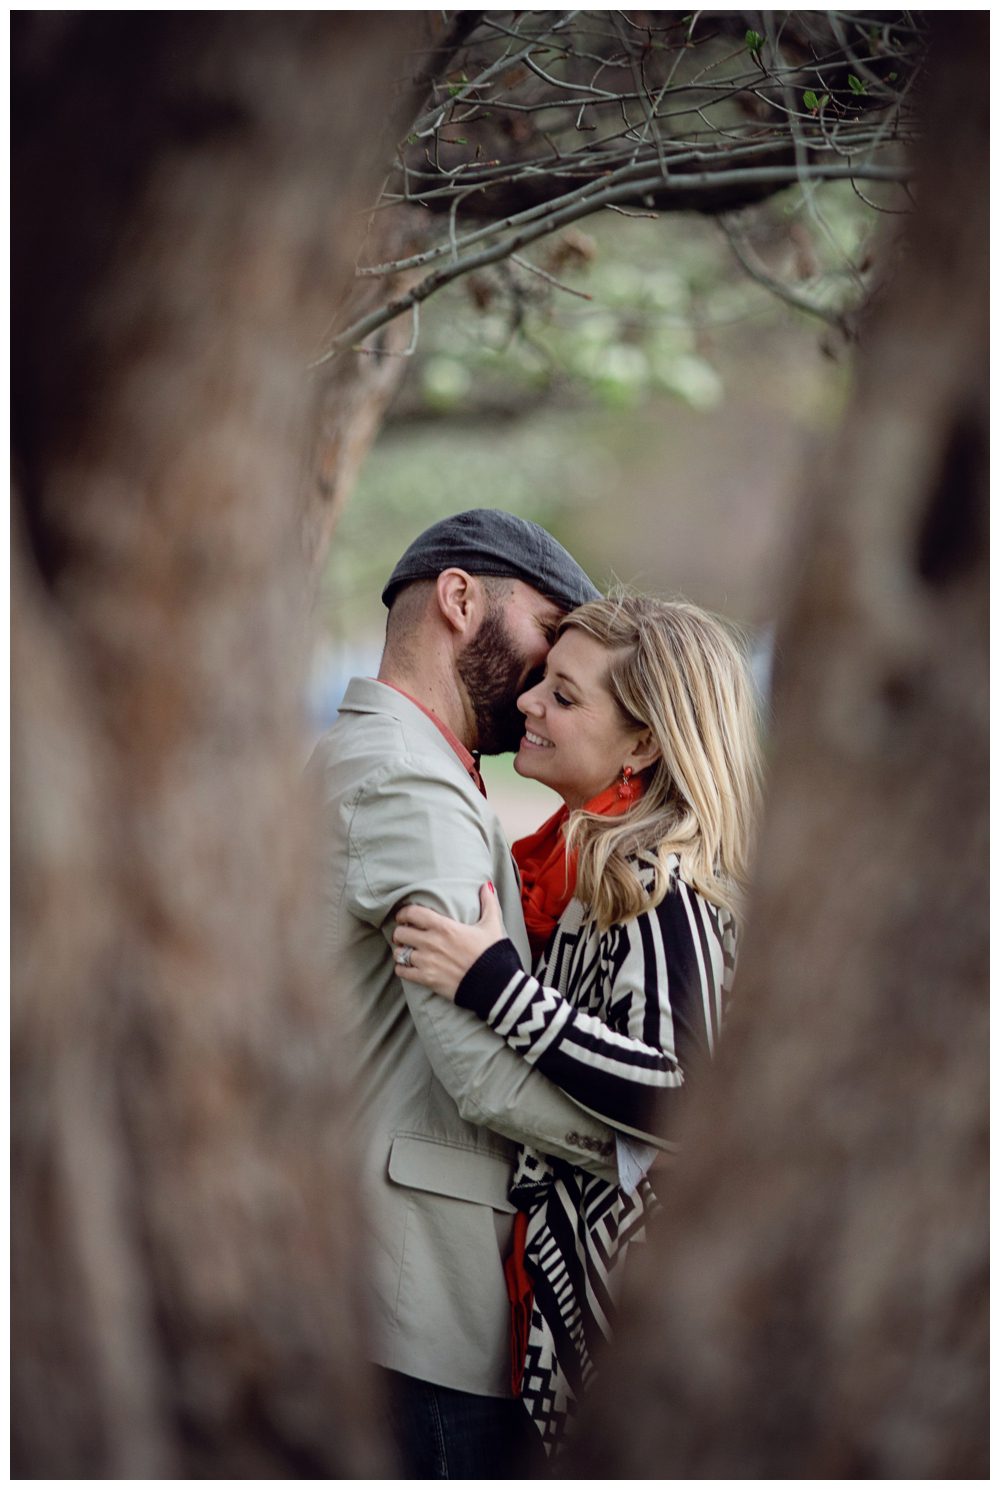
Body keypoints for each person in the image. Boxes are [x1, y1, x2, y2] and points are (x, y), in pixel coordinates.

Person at [393, 594, 763, 1456]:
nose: (527, 702)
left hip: (625, 1350)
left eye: (564, 696)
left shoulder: (661, 885)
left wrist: (494, 985)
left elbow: (680, 1095)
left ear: (643, 743)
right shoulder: (597, 867)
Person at [309, 510, 631, 1479]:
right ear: (460, 601)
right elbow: (480, 1070)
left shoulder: (366, 760)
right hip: (418, 1304)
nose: (541, 682)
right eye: (547, 634)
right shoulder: (409, 785)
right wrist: (648, 1142)